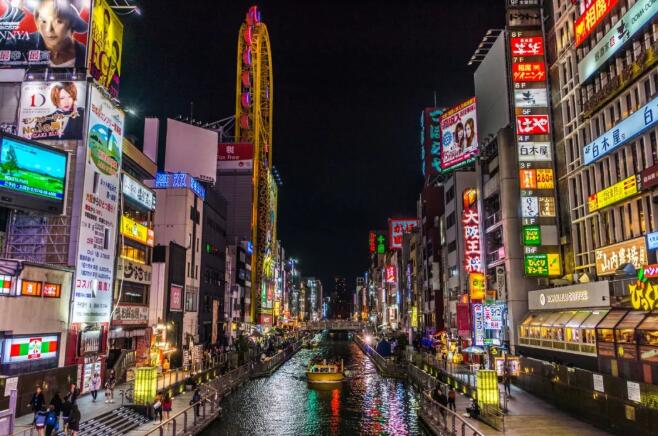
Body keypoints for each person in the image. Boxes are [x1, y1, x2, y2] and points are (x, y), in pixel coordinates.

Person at [31, 0, 88, 67]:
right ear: (36, 22)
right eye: (44, 21)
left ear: (72, 23)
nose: (49, 29)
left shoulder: (84, 54)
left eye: (58, 21)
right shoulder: (22, 44)